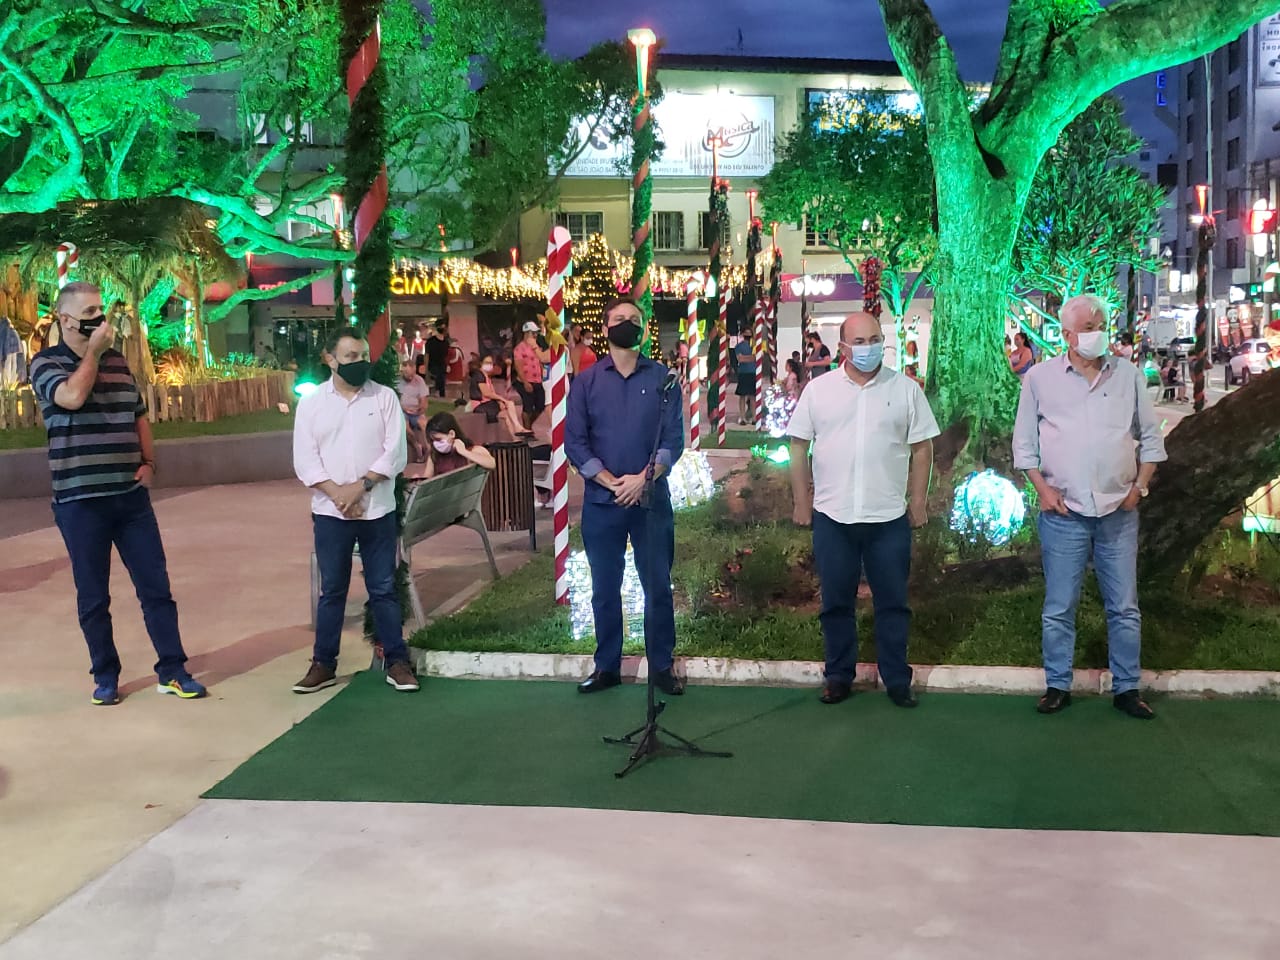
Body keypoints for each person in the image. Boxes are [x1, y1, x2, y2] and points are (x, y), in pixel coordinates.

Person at [28, 282, 206, 705]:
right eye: (89, 312)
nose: (99, 319)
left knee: (155, 587)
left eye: (100, 310)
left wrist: (149, 462)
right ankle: (105, 676)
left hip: (130, 497)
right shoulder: (45, 363)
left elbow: (139, 414)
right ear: (66, 320)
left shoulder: (118, 362)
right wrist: (91, 353)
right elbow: (71, 397)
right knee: (94, 595)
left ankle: (173, 669)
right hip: (80, 501)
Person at [1013, 295, 1167, 720]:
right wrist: (1042, 490)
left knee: (1124, 606)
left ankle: (1127, 687)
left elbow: (1151, 439)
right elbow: (1024, 447)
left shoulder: (1127, 374)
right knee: (1059, 606)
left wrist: (1139, 487)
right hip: (1064, 513)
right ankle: (1057, 684)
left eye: (1101, 323)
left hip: (1120, 510)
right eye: (1088, 326)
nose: (1098, 331)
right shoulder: (1040, 379)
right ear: (1066, 334)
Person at [788, 311, 939, 708]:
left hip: (887, 518)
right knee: (836, 602)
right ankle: (838, 676)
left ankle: (896, 678)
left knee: (892, 602)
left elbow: (923, 447)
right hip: (833, 517)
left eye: (874, 339)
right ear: (842, 347)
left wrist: (918, 501)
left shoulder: (905, 390)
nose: (868, 348)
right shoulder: (818, 391)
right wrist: (803, 502)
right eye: (859, 341)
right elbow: (798, 445)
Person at [566, 297, 685, 696]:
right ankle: (607, 666)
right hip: (604, 504)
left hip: (650, 502)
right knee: (604, 587)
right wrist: (610, 481)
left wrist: (643, 478)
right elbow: (575, 444)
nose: (626, 325)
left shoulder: (664, 380)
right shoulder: (585, 383)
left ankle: (662, 666)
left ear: (644, 329)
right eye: (619, 319)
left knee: (657, 586)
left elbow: (672, 441)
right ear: (605, 329)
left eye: (634, 320)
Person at [291, 330, 418, 695]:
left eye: (363, 354)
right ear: (330, 359)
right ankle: (323, 664)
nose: (359, 362)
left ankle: (396, 660)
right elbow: (305, 460)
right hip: (332, 513)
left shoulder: (384, 398)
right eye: (349, 356)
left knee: (382, 588)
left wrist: (360, 488)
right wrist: (338, 496)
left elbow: (395, 454)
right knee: (333, 590)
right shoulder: (312, 404)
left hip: (376, 509)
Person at [467, 355, 529, 437]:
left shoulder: (487, 377)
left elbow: (491, 394)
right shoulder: (479, 375)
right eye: (487, 363)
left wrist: (500, 402)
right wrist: (502, 400)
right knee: (509, 404)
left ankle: (515, 438)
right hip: (480, 405)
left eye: (490, 363)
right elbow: (487, 393)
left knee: (506, 415)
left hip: (487, 403)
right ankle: (518, 427)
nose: (489, 365)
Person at [422, 412, 496, 478]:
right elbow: (426, 479)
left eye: (438, 439)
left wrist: (464, 452)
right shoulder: (435, 455)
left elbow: (491, 463)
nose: (435, 444)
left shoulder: (472, 449)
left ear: (451, 434)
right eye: (433, 441)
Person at [513, 320, 549, 428]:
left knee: (541, 405)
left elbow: (540, 361)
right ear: (526, 333)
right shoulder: (519, 348)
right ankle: (527, 429)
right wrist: (525, 382)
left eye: (536, 333)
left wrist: (543, 375)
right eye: (532, 333)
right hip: (526, 380)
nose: (535, 335)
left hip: (537, 380)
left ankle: (528, 425)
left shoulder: (536, 346)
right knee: (527, 406)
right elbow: (518, 366)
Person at [397, 359, 431, 461]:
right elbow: (394, 401)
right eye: (408, 375)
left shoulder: (419, 380)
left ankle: (429, 448)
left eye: (413, 374)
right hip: (402, 410)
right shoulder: (396, 382)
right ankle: (417, 446)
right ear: (403, 371)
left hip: (416, 411)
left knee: (424, 424)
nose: (411, 377)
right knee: (405, 426)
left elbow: (424, 400)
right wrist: (404, 408)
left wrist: (420, 409)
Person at [734, 332, 757, 425]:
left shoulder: (755, 345)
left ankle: (754, 417)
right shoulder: (739, 346)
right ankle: (742, 417)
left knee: (752, 396)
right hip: (743, 372)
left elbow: (756, 357)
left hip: (752, 372)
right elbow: (740, 359)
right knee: (742, 395)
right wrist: (751, 358)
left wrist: (746, 358)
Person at [425, 322, 448, 397]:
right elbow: (427, 355)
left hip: (443, 366)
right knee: (439, 377)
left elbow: (446, 356)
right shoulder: (430, 342)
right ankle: (436, 393)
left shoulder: (446, 342)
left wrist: (447, 365)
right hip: (433, 366)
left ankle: (441, 396)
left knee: (442, 382)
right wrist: (426, 370)